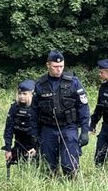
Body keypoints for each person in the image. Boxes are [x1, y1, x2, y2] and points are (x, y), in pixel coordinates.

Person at [29, 50, 91, 178]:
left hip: (68, 128)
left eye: (61, 66)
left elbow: (83, 108)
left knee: (69, 165)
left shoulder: (73, 82)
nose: (59, 69)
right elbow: (34, 111)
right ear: (48, 65)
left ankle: (72, 188)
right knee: (47, 167)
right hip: (48, 128)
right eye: (55, 66)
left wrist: (85, 131)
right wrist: (34, 134)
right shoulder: (40, 84)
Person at [0, 80, 38, 169]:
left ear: (32, 94)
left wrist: (37, 147)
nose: (21, 96)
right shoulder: (14, 107)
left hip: (35, 144)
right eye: (20, 94)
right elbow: (8, 129)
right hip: (19, 143)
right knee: (22, 169)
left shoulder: (37, 107)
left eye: (25, 94)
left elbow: (43, 130)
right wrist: (8, 148)